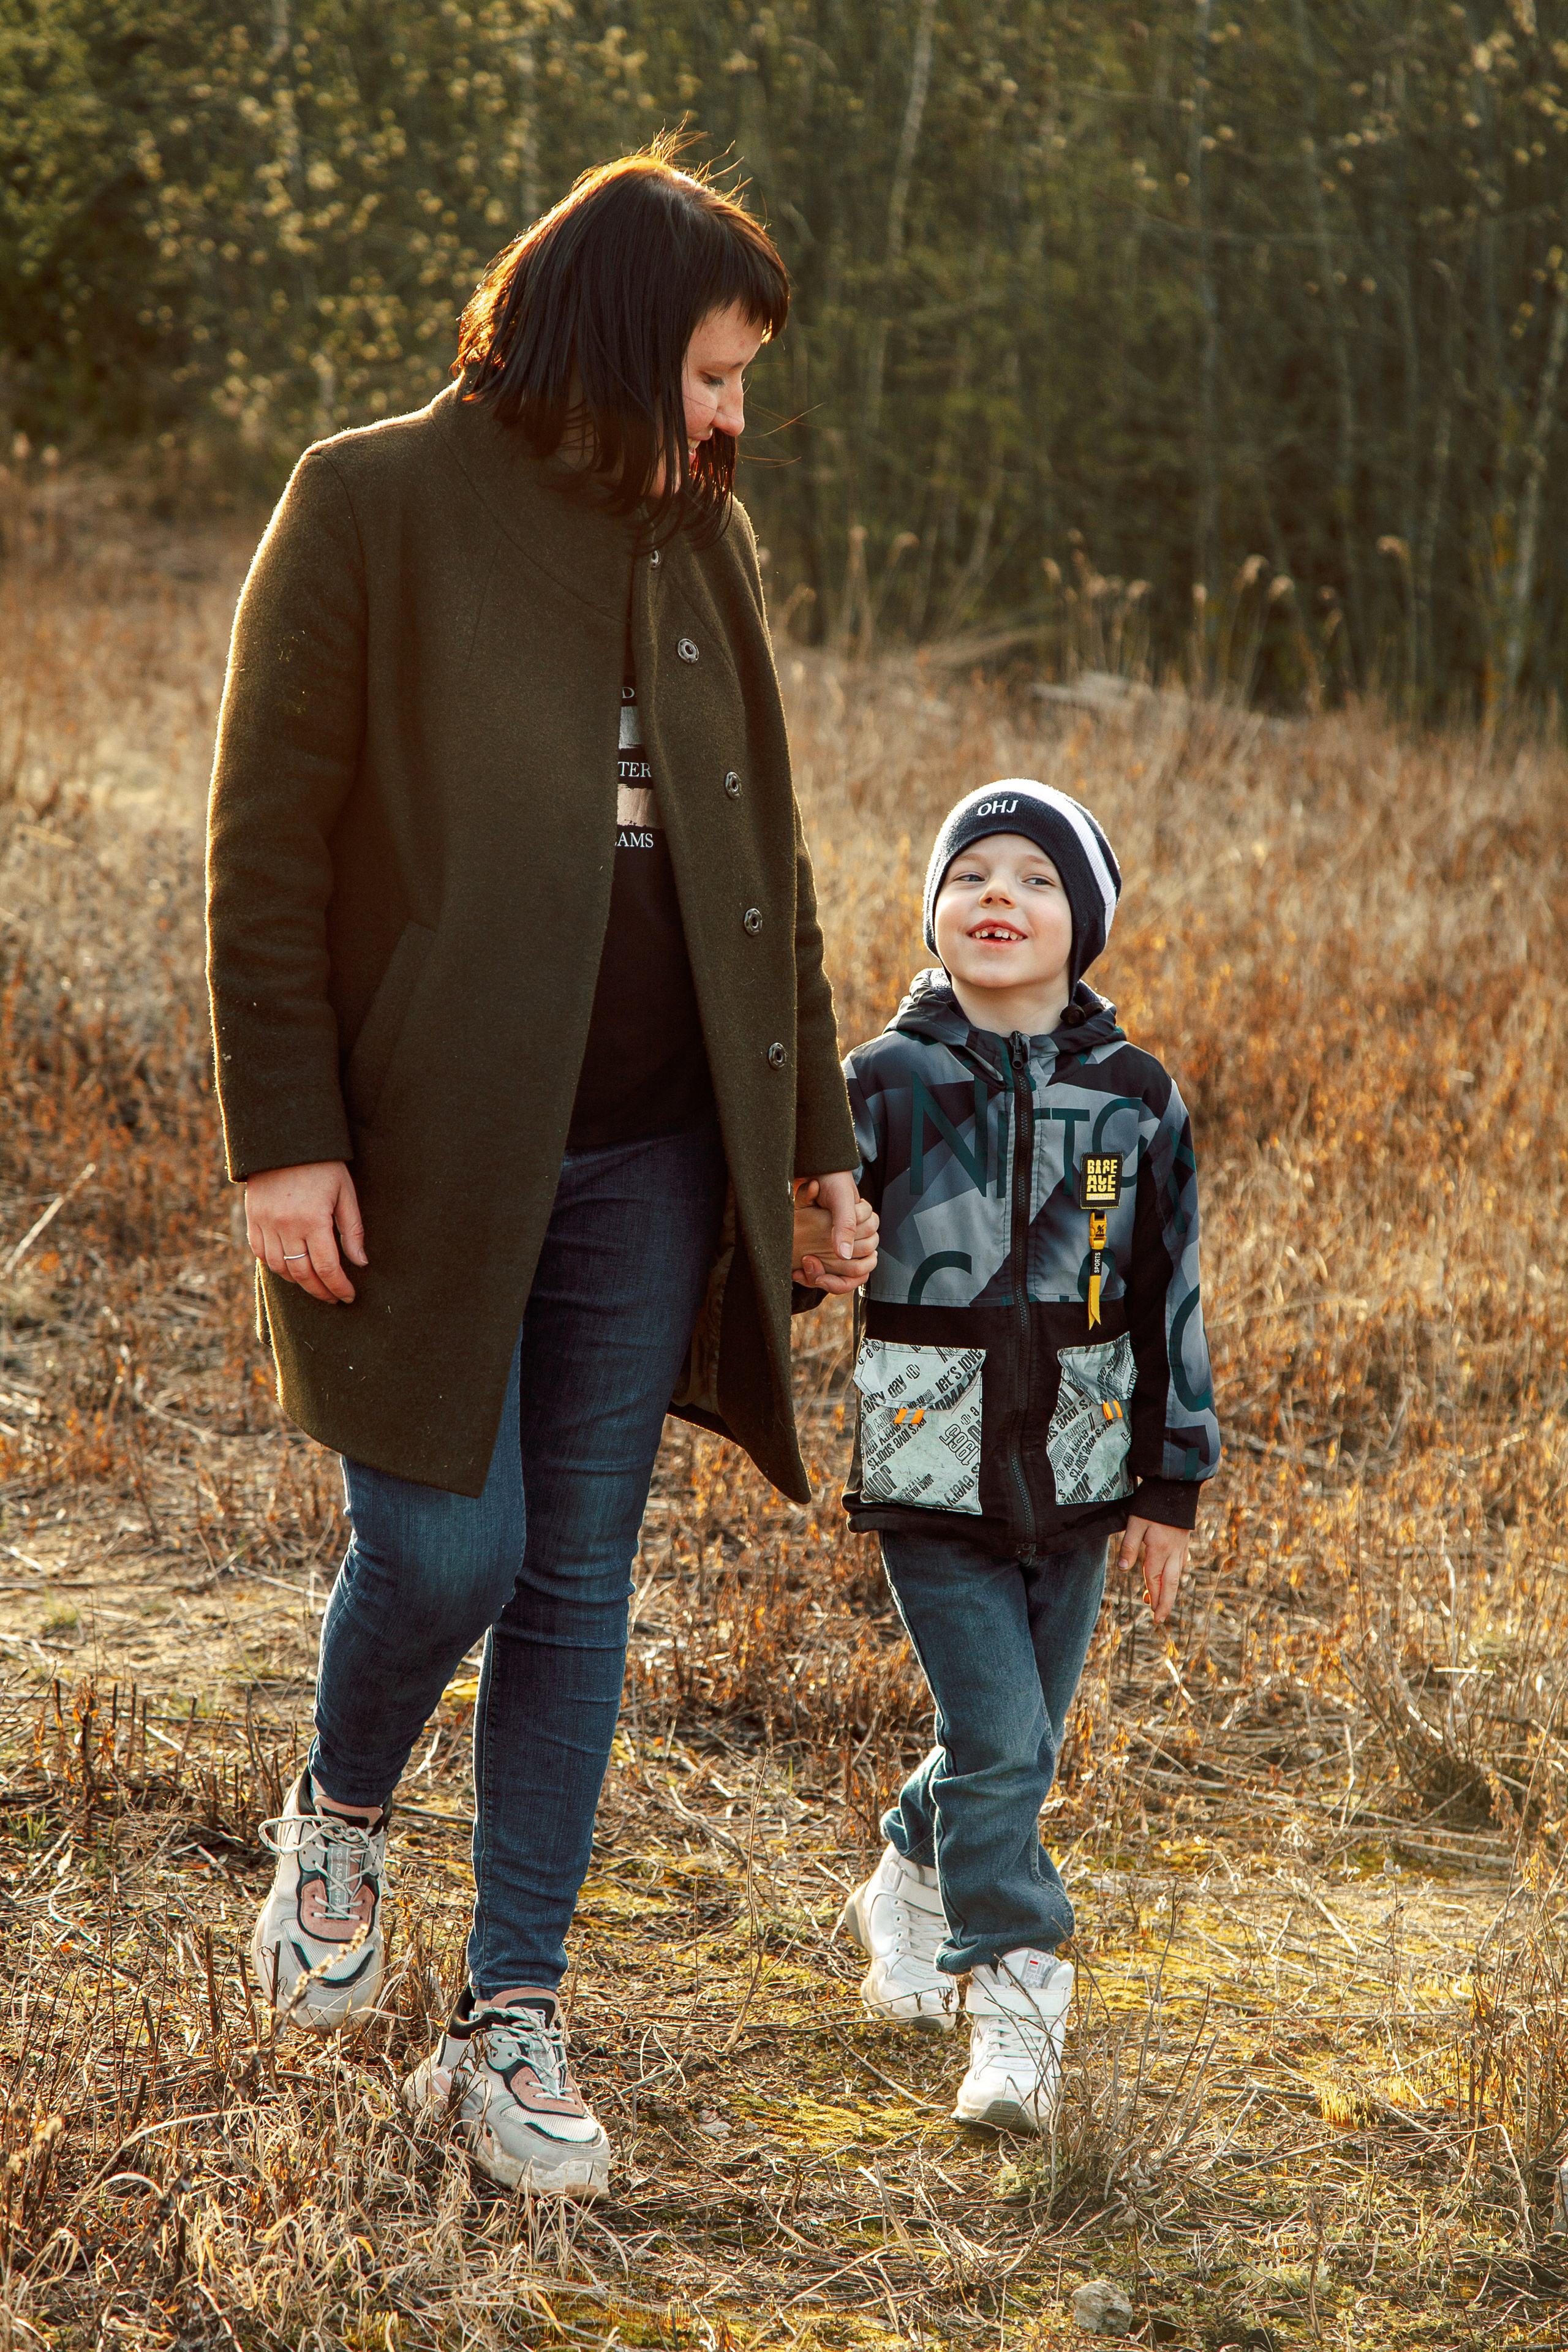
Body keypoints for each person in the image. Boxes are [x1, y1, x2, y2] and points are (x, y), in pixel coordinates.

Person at [205, 148, 876, 2203]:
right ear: (611, 334)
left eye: (745, 378)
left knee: (580, 1582)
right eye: (713, 370)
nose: (734, 416)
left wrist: (816, 1148)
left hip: (659, 1156)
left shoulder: (697, 550)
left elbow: (765, 878)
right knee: (444, 1552)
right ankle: (338, 1811)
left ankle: (512, 2016)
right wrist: (284, 1138)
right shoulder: (370, 500)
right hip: (419, 1160)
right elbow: (265, 850)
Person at [830, 778, 1219, 2132]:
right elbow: (795, 1232)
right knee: (998, 1733)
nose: (999, 895)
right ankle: (1013, 1991)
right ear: (934, 914)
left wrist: (1168, 1481)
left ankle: (905, 1870)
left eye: (1036, 878)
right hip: (928, 1472)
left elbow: (1169, 1293)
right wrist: (818, 1251)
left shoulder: (1134, 1100)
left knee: (1019, 1740)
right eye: (971, 873)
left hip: (1084, 1470)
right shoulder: (879, 1087)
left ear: (1084, 924)